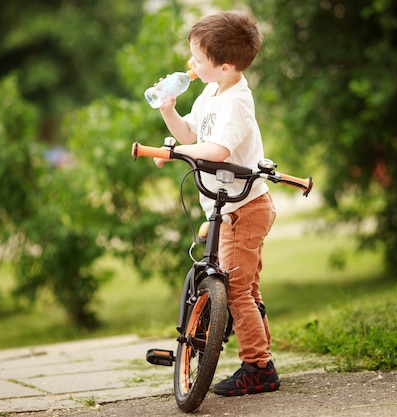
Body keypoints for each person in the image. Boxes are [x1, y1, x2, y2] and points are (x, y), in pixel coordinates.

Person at [152, 10, 279, 397]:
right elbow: (191, 132)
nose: (191, 65)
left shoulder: (237, 102)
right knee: (247, 288)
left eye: (198, 59)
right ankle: (264, 359)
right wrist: (168, 110)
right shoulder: (212, 92)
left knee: (236, 290)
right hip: (225, 207)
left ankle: (258, 367)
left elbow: (219, 148)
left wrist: (176, 153)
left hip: (246, 208)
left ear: (224, 66)